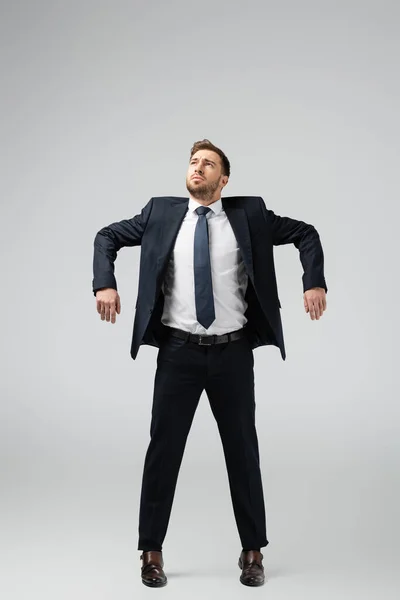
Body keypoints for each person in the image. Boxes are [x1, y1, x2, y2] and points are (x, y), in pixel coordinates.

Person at [92, 139, 328, 587]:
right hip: (178, 354)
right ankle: (151, 551)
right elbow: (106, 237)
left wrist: (313, 282)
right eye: (193, 162)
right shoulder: (160, 213)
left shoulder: (249, 214)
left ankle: (253, 551)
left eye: (209, 164)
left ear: (224, 180)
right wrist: (104, 284)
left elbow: (306, 234)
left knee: (242, 451)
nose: (198, 168)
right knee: (163, 453)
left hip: (232, 354)